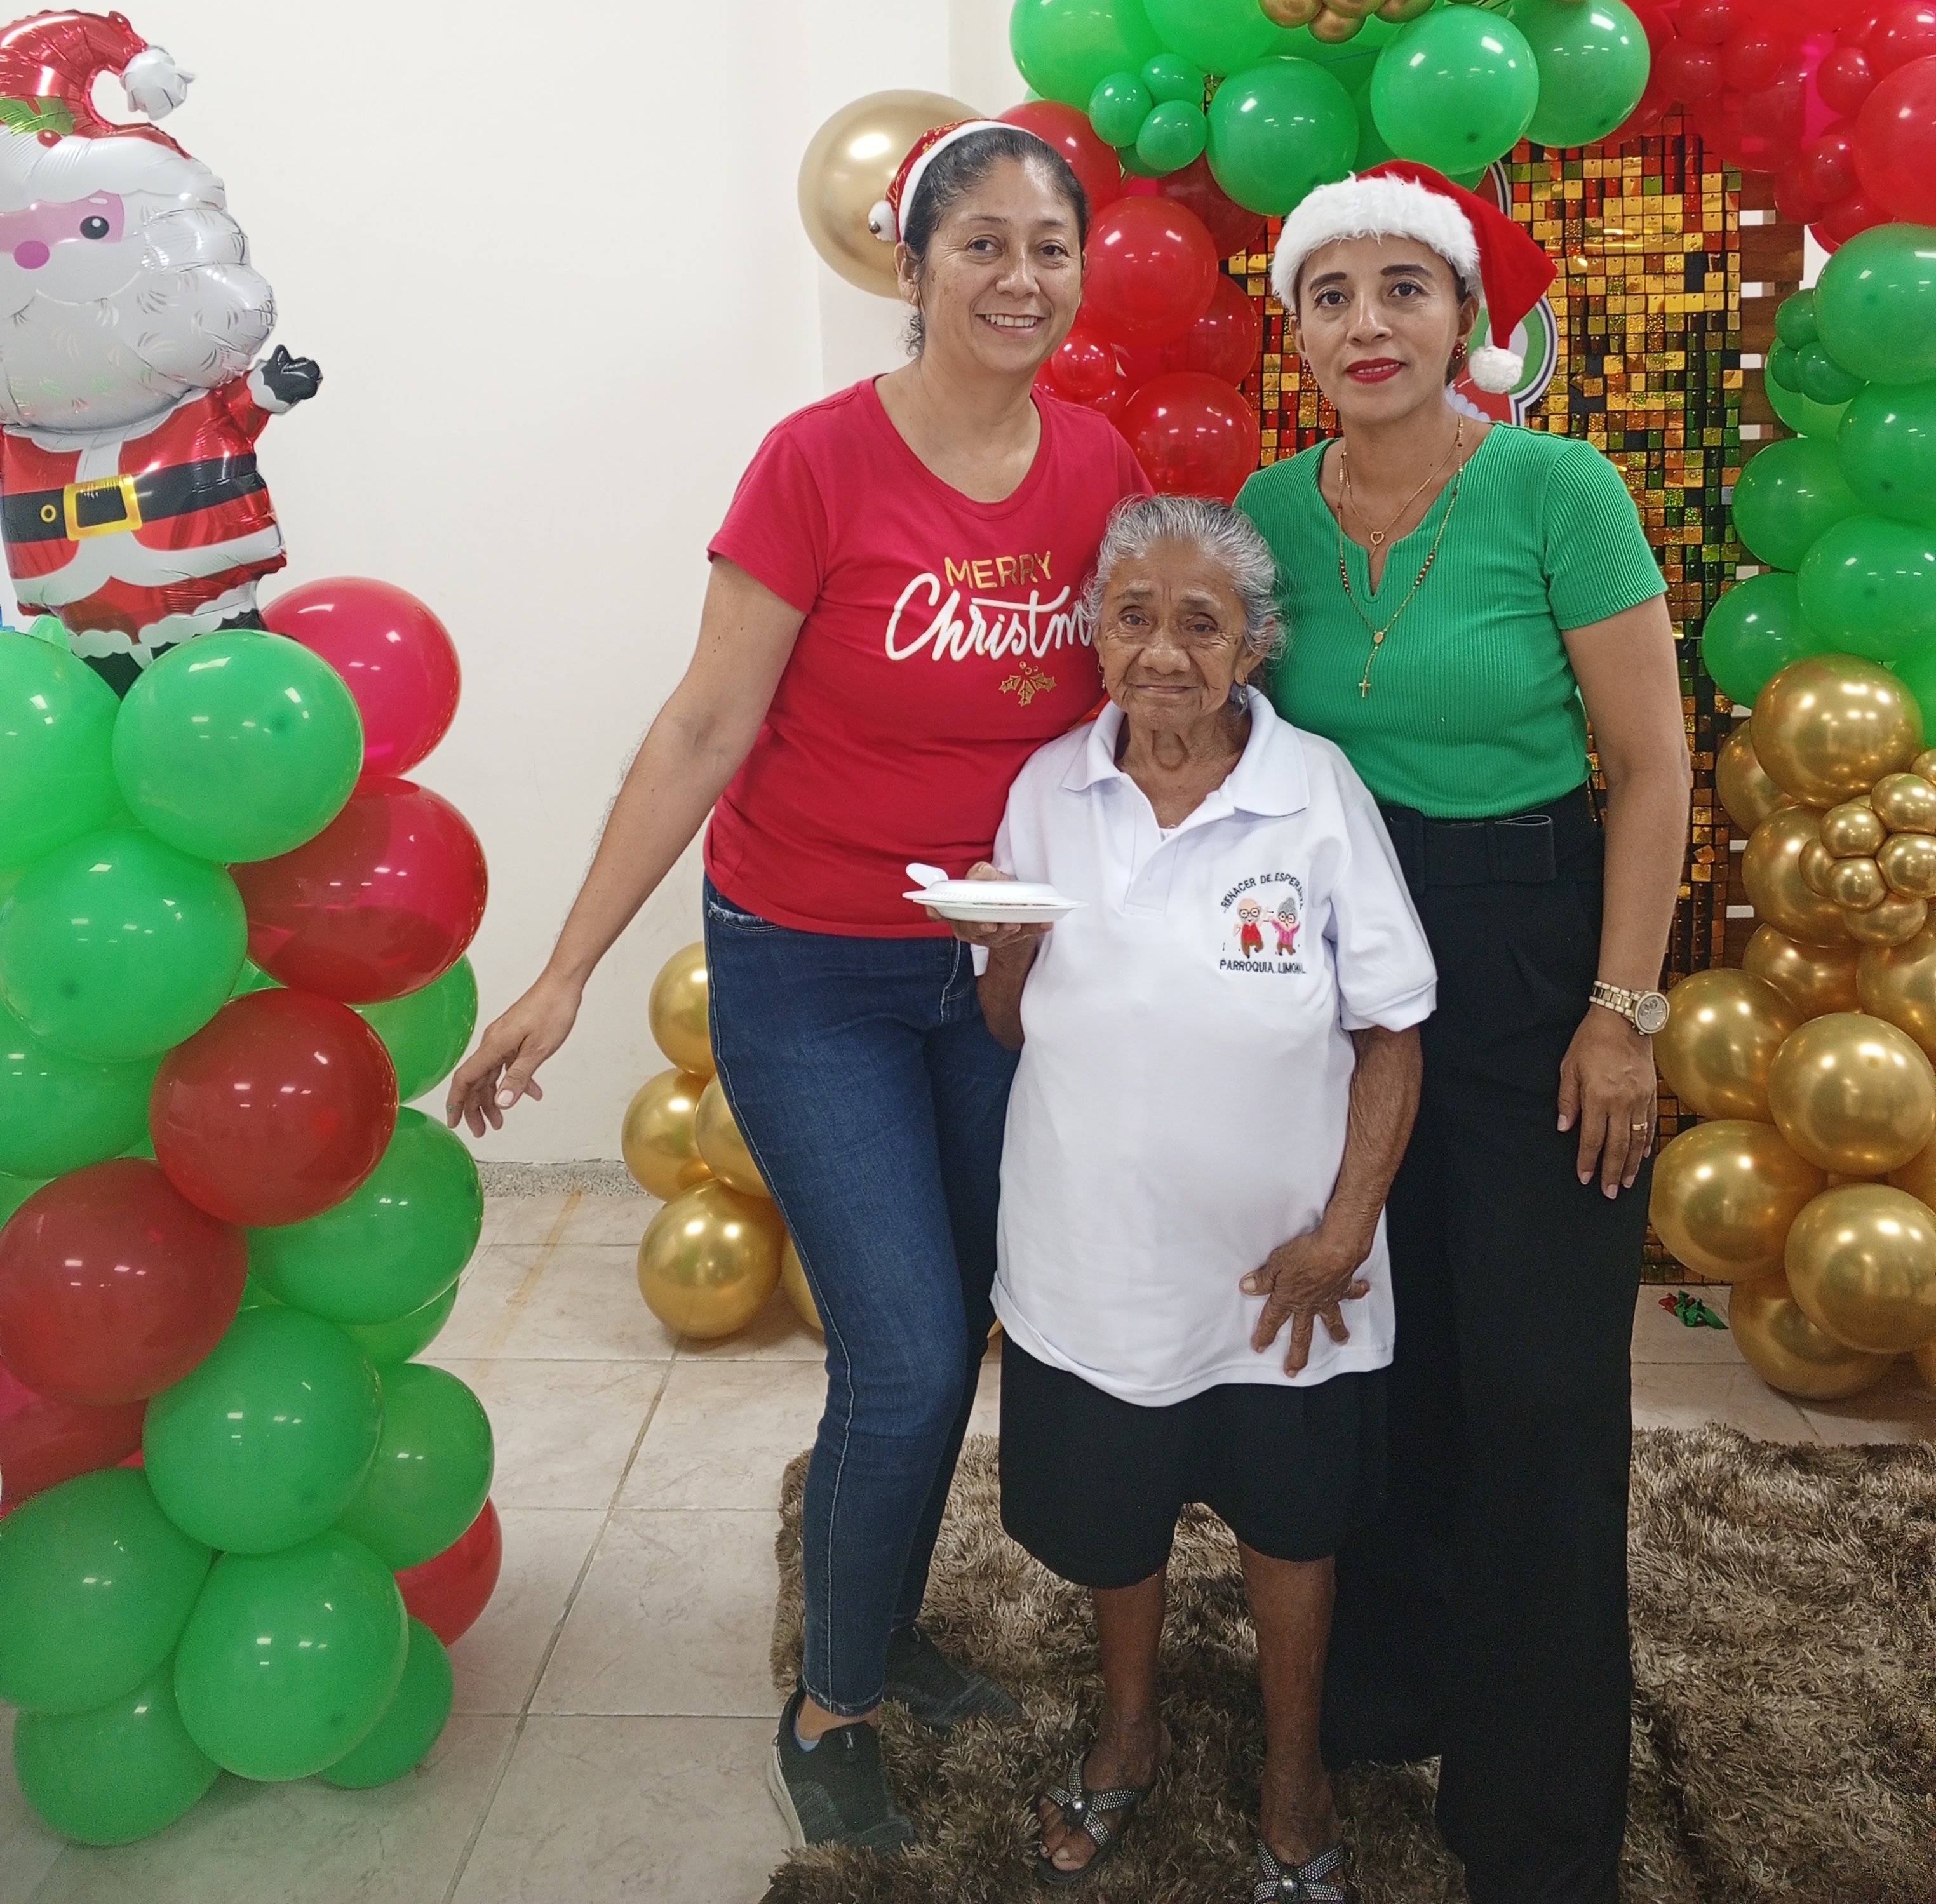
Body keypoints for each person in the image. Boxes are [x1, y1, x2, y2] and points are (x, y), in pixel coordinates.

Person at [445, 118, 1147, 1854]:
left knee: (958, 1327)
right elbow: (705, 724)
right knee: (901, 1353)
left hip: (998, 973)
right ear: (912, 268)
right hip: (812, 966)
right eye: (981, 245)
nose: (1020, 278)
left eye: (1049, 247)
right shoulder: (817, 462)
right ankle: (831, 1700)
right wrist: (565, 970)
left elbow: (1129, 712)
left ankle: (884, 1628)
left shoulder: (1099, 465)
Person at [1235, 165, 1692, 1904]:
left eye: (1404, 288)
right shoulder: (1264, 511)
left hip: (1529, 956)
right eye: (1332, 294)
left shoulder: (1560, 489)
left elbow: (1651, 766)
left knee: (1543, 1391)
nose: (1368, 323)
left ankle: (1540, 1825)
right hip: (1338, 971)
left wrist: (1621, 1013)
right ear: (1298, 333)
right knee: (1387, 1364)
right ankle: (1392, 1695)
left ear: (1465, 320)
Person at [974, 491, 1433, 1901]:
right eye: (1133, 617)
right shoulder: (1050, 787)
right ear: (1093, 632)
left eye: (1200, 623)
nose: (1163, 651)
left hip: (1282, 1273)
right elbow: (1009, 1023)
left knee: (1292, 1529)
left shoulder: (1316, 790)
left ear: (1252, 646)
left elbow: (1393, 1029)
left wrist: (1345, 1230)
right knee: (1113, 1526)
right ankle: (1131, 1732)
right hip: (1094, 1258)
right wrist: (999, 948)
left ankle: (1295, 1776)